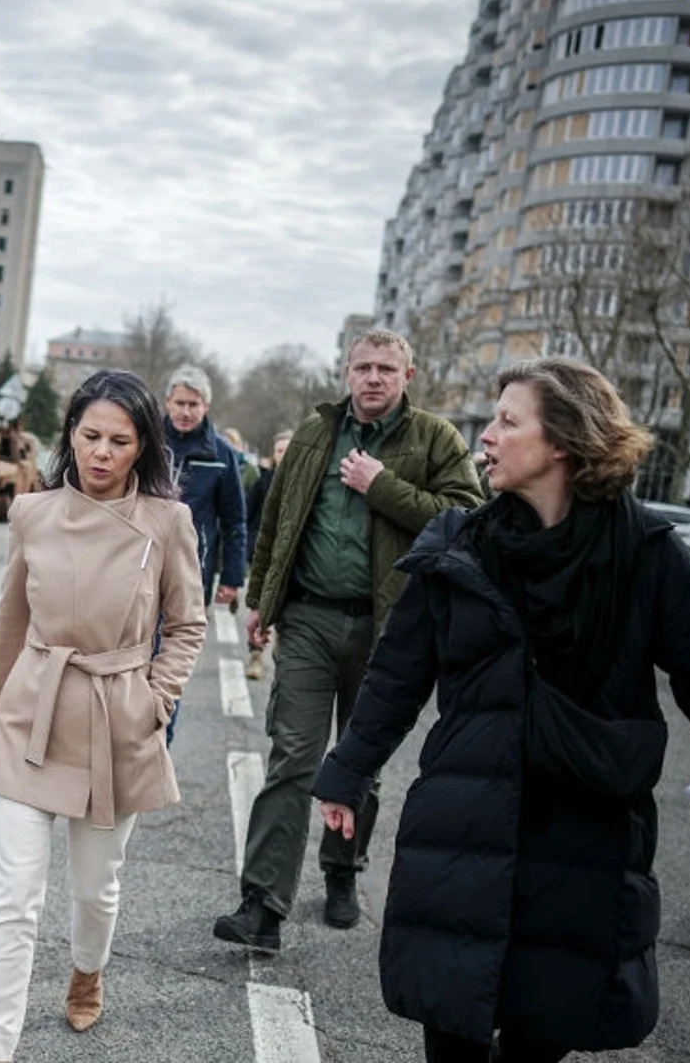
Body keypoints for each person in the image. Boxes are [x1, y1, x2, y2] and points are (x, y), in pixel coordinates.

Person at [311, 356, 690, 1062]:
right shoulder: (459, 546)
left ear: (563, 441)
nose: (485, 435)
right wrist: (347, 771)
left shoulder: (647, 554)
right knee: (453, 1013)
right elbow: (397, 670)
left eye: (507, 422)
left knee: (549, 1017)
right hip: (463, 819)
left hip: (586, 828)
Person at [214, 328, 483, 949]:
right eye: (362, 366)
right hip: (308, 617)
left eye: (386, 368)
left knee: (358, 761)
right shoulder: (314, 433)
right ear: (346, 372)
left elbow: (468, 521)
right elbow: (277, 517)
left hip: (390, 627)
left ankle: (342, 871)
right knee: (294, 757)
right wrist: (262, 599)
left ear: (408, 375)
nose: (373, 378)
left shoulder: (435, 439)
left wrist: (381, 485)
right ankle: (263, 904)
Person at [0, 370, 207, 1063]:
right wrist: (3, 709)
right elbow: (10, 616)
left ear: (143, 448)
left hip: (119, 717)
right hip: (32, 719)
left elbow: (186, 624)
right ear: (70, 434)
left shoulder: (168, 522)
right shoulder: (32, 513)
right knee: (13, 896)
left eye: (119, 441)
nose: (101, 453)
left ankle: (86, 970)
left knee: (95, 888)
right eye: (90, 436)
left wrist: (156, 703)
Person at [160, 365, 245, 744]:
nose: (185, 411)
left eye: (193, 404)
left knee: (169, 665)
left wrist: (231, 577)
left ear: (206, 405)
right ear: (167, 401)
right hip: (137, 570)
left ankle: (160, 742)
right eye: (179, 402)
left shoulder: (221, 455)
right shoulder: (144, 442)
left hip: (191, 576)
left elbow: (235, 520)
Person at [245, 429, 294, 680]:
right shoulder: (262, 483)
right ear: (273, 455)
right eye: (279, 451)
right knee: (260, 607)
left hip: (291, 561)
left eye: (289, 450)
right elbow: (249, 516)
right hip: (263, 556)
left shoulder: (303, 488)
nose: (284, 455)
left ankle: (279, 652)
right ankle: (255, 656)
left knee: (285, 609)